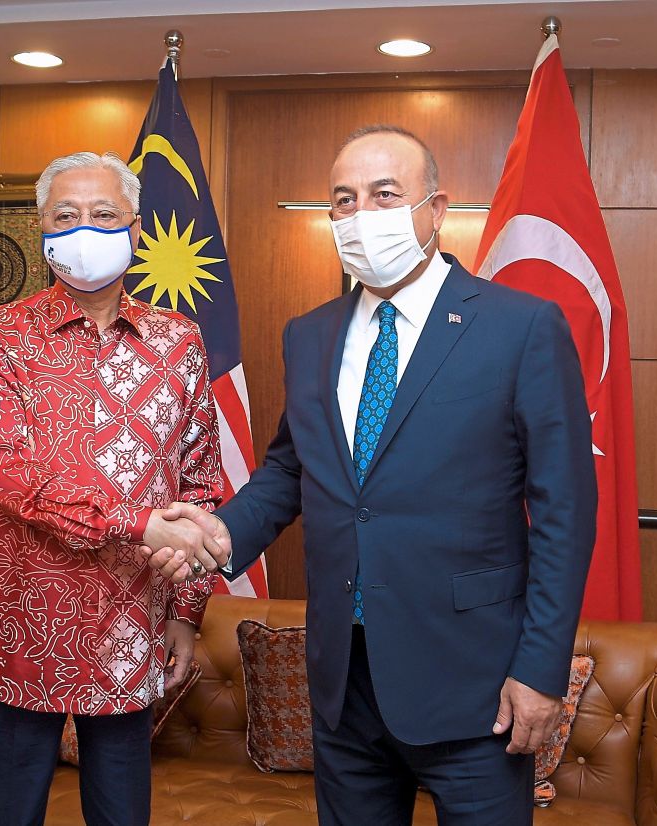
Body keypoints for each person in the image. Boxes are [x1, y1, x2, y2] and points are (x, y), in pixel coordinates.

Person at [156, 125, 596, 825]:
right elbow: (289, 468)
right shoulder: (311, 333)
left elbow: (565, 516)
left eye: (384, 194)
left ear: (435, 208)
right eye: (344, 200)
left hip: (475, 683)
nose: (362, 215)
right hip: (345, 684)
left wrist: (540, 672)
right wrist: (219, 532)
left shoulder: (521, 328)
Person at [0, 151, 228, 826]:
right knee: (8, 814)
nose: (86, 228)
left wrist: (187, 613)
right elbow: (17, 481)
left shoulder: (179, 340)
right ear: (41, 229)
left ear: (135, 230)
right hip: (23, 624)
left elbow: (200, 485)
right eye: (66, 215)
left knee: (120, 815)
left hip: (132, 624)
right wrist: (141, 525)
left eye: (104, 214)